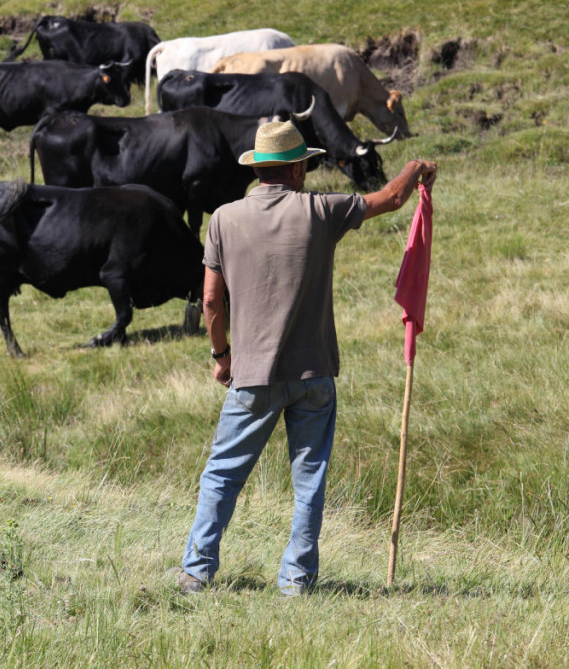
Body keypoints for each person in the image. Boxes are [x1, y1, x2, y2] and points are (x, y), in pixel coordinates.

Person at [178, 120, 437, 595]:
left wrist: (221, 355)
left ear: (259, 168)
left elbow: (211, 301)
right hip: (313, 372)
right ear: (297, 169)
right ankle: (296, 581)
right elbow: (392, 199)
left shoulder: (223, 219)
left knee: (222, 474)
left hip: (251, 375)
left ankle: (197, 571)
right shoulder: (321, 211)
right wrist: (416, 167)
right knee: (309, 480)